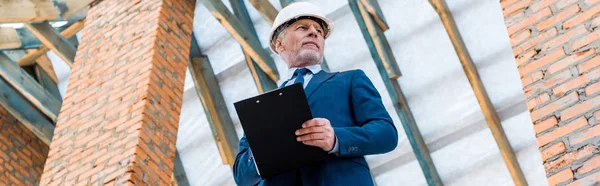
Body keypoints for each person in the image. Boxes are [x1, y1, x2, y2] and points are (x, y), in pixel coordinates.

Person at [232, 2, 398, 186]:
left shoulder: (350, 80)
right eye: (302, 27)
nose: (314, 32)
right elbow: (241, 176)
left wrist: (335, 139)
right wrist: (263, 151)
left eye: (319, 30)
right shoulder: (261, 108)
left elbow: (386, 134)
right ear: (279, 45)